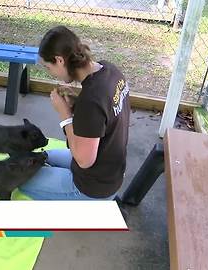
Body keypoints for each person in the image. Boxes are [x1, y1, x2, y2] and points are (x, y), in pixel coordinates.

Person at [19, 26, 131, 200]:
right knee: (42, 156)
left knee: (19, 179)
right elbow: (103, 114)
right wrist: (77, 102)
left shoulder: (91, 100)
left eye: (48, 67)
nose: (51, 73)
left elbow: (84, 160)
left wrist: (65, 115)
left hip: (93, 187)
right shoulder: (110, 70)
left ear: (60, 60)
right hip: (110, 170)